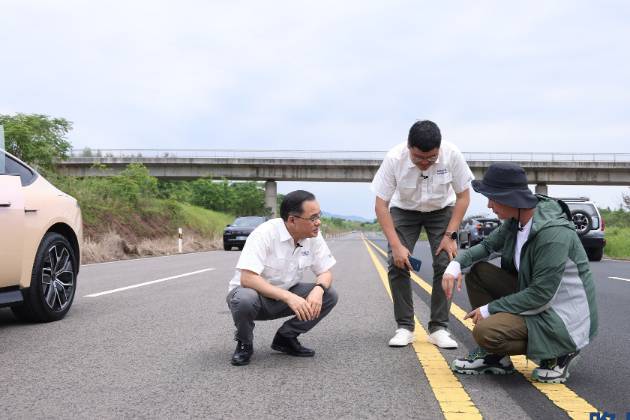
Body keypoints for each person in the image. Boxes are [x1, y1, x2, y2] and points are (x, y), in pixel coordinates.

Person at [442, 162, 598, 383]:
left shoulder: (552, 234)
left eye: (492, 198)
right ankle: (496, 358)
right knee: (478, 273)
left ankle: (562, 350)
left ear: (509, 198)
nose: (489, 205)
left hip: (562, 317)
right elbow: (486, 248)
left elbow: (541, 296)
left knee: (485, 332)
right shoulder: (517, 220)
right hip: (539, 299)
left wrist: (489, 309)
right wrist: (455, 265)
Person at [371, 120, 473, 349]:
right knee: (397, 262)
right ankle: (405, 327)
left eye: (431, 158)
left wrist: (451, 234)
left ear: (439, 149)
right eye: (419, 158)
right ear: (409, 147)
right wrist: (396, 245)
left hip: (441, 210)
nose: (425, 163)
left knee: (445, 262)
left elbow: (463, 197)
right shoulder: (394, 159)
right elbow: (381, 205)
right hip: (404, 210)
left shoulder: (452, 154)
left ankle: (439, 328)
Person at [226, 190, 338, 366]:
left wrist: (318, 289)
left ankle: (285, 338)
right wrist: (289, 297)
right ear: (292, 219)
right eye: (313, 218)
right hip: (256, 299)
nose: (318, 222)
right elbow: (247, 279)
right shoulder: (264, 234)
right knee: (244, 299)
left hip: (285, 296)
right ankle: (244, 343)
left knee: (329, 295)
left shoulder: (313, 236)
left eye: (319, 216)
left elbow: (326, 272)